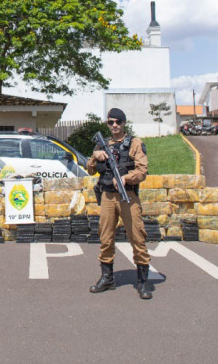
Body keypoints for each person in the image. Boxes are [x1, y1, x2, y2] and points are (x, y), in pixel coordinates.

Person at [86, 108, 153, 300]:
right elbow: (90, 170)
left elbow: (142, 171)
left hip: (128, 197)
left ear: (124, 123)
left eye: (118, 122)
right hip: (107, 196)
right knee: (105, 238)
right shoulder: (102, 144)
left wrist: (126, 178)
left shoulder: (134, 144)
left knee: (137, 237)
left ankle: (142, 281)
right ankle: (107, 278)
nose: (114, 125)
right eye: (111, 122)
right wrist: (95, 157)